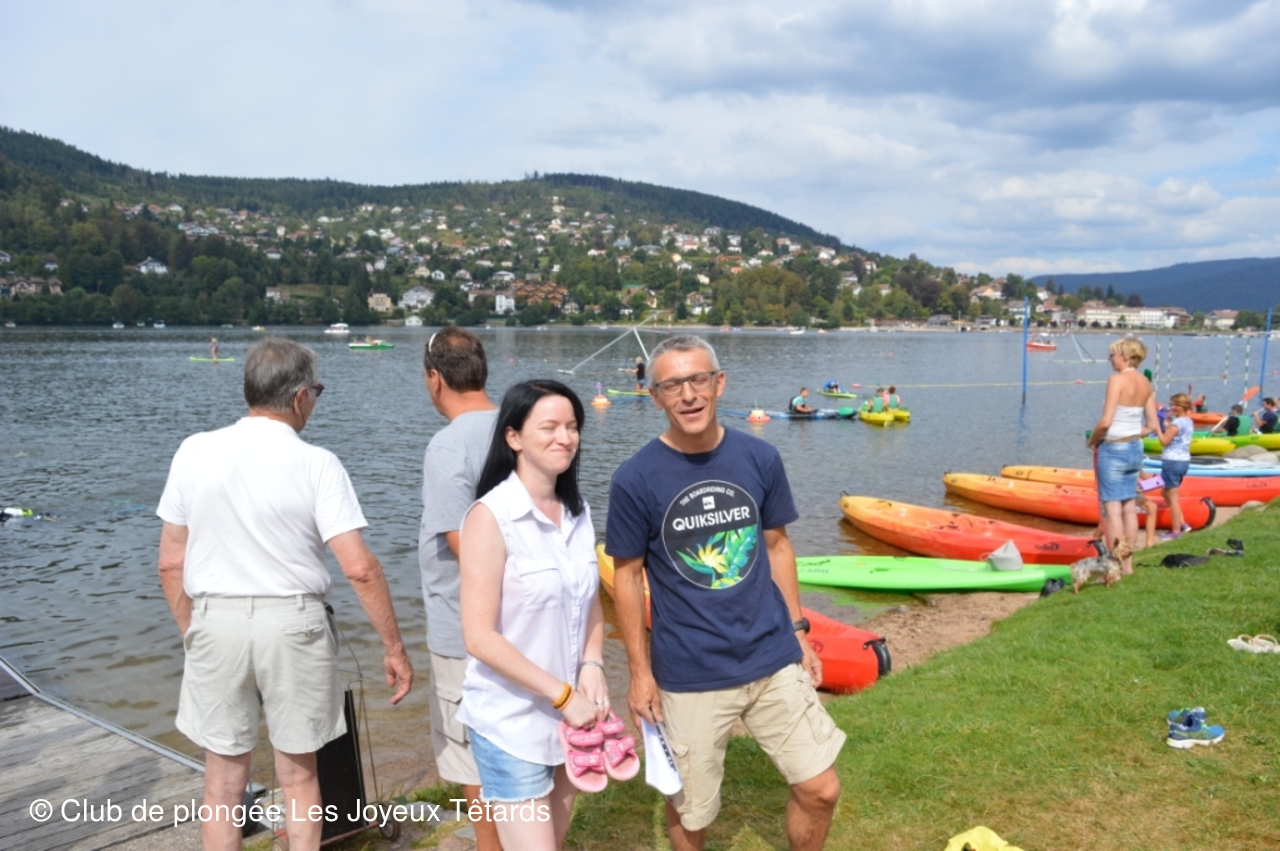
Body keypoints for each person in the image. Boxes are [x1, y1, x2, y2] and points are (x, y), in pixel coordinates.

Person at [156, 338, 413, 851]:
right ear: (299, 397)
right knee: (298, 776)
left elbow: (170, 562)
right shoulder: (317, 463)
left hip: (216, 621)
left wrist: (194, 632)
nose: (315, 401)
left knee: (222, 783)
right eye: (317, 391)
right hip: (294, 626)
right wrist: (394, 648)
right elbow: (359, 569)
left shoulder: (194, 451)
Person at [607, 335, 844, 851]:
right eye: (672, 385)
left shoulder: (760, 456)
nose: (688, 395)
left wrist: (799, 630)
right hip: (691, 671)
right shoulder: (634, 479)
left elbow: (777, 546)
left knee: (821, 789)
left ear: (719, 383)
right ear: (655, 397)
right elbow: (626, 578)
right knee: (692, 813)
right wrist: (640, 673)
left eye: (698, 380)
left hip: (772, 655)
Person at [457, 380, 609, 850]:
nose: (565, 437)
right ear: (514, 437)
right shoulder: (490, 516)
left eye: (572, 426)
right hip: (511, 721)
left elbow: (590, 600)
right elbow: (479, 637)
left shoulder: (577, 512)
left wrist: (593, 665)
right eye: (549, 427)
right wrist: (563, 695)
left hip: (571, 720)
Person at [418, 327, 503, 851]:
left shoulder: (448, 444)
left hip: (465, 626)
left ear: (435, 379)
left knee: (472, 754)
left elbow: (461, 542)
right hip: (520, 623)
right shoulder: (521, 425)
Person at [1088, 338, 1159, 575]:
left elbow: (1105, 422)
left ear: (1126, 356)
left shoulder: (1116, 380)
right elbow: (1152, 426)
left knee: (1113, 511)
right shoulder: (1145, 383)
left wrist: (1092, 441)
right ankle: (1127, 566)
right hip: (1135, 448)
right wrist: (1131, 433)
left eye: (1112, 354)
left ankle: (1114, 567)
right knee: (1129, 507)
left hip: (1113, 449)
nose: (1109, 358)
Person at [1156, 393, 1194, 539]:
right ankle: (1183, 524)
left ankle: (1176, 531)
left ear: (1182, 407)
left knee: (1172, 498)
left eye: (1174, 405)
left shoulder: (1176, 423)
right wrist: (1166, 425)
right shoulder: (1188, 421)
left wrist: (1157, 428)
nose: (1172, 407)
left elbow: (1164, 441)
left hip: (1172, 462)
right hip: (1183, 461)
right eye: (1171, 404)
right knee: (1165, 493)